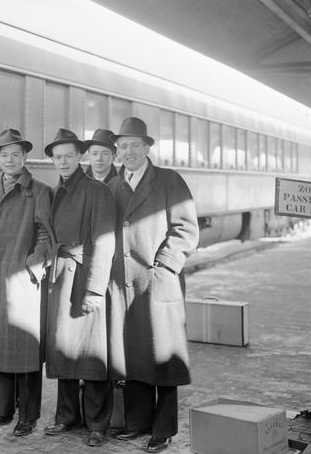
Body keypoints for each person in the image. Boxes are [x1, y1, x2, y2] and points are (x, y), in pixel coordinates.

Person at [108, 117, 199, 453]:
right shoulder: (113, 185)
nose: (128, 152)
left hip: (158, 280)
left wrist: (164, 267)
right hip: (124, 283)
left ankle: (163, 428)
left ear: (147, 148)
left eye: (134, 146)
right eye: (123, 146)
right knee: (133, 355)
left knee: (163, 355)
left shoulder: (168, 180)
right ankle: (138, 422)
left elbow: (186, 230)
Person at [0, 128, 52, 437]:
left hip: (23, 282)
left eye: (16, 154)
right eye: (5, 155)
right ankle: (0, 412)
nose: (11, 159)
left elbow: (45, 235)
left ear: (25, 157)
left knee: (25, 349)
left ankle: (27, 417)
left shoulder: (40, 191)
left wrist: (32, 267)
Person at [43, 128, 116, 447]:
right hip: (61, 276)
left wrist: (95, 290)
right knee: (64, 348)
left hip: (85, 276)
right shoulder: (55, 190)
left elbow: (104, 243)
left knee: (91, 351)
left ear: (79, 156)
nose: (63, 161)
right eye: (57, 157)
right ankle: (66, 415)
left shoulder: (96, 191)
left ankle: (97, 423)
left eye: (68, 156)